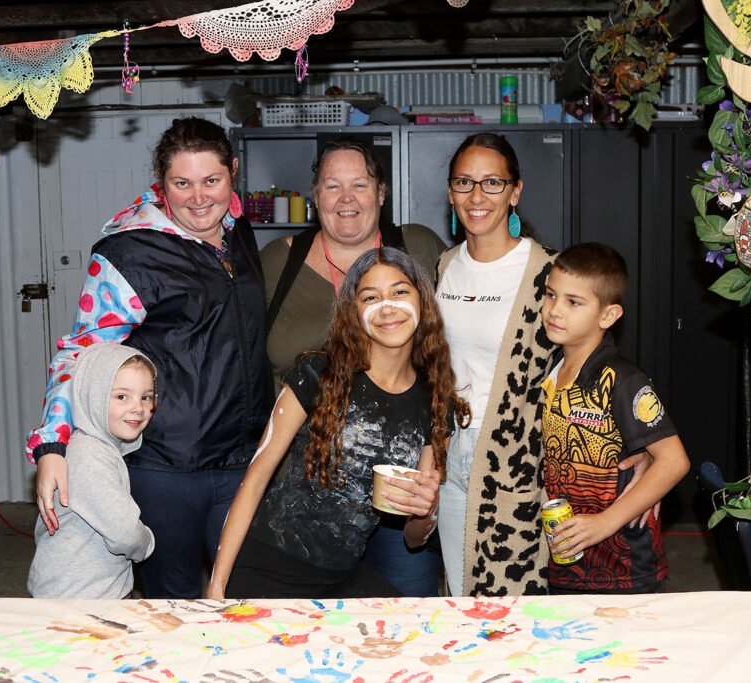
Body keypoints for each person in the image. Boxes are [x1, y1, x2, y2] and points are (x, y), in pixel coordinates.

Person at [26, 117, 269, 599]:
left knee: (244, 598)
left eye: (211, 181)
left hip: (242, 461)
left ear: (233, 173)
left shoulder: (237, 229)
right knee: (171, 607)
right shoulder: (130, 251)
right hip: (166, 468)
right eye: (182, 183)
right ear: (161, 184)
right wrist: (52, 447)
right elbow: (81, 352)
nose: (199, 198)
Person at [435, 133, 652, 597]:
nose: (477, 196)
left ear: (515, 191)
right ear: (450, 192)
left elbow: (594, 364)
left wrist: (638, 444)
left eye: (493, 182)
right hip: (449, 451)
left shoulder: (548, 274)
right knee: (459, 596)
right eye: (464, 182)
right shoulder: (443, 266)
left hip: (520, 463)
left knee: (512, 605)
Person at [206, 247, 470, 600]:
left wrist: (427, 507)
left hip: (340, 579)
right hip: (265, 564)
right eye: (370, 297)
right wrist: (217, 584)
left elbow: (414, 536)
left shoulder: (437, 402)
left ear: (422, 301)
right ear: (353, 311)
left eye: (400, 292)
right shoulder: (318, 373)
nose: (387, 307)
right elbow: (255, 480)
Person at [260, 139, 447, 597]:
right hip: (302, 497)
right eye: (332, 186)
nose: (346, 198)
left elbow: (475, 332)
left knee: (404, 627)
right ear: (315, 196)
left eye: (359, 185)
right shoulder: (277, 263)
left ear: (381, 193)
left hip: (396, 491)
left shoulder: (418, 248)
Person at [540, 243, 690, 594]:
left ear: (607, 317)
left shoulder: (622, 379)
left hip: (626, 567)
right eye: (550, 295)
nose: (554, 310)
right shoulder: (554, 371)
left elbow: (675, 461)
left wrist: (605, 523)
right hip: (569, 562)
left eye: (573, 302)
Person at [27, 343, 156, 599]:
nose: (138, 408)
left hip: (93, 588)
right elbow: (125, 533)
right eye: (121, 396)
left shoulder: (99, 448)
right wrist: (147, 543)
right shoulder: (88, 455)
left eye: (146, 396)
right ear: (93, 396)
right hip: (78, 598)